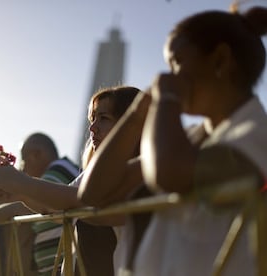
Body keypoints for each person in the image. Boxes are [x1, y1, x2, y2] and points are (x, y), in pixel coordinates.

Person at [81, 5, 267, 276]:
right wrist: (134, 117)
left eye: (176, 62)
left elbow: (169, 174)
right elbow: (93, 194)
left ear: (220, 60)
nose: (167, 75)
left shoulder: (256, 135)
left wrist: (167, 100)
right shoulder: (194, 137)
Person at [0, 85, 142, 275]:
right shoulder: (92, 174)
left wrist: (22, 182)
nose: (92, 128)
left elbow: (78, 199)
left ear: (129, 125)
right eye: (92, 119)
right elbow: (57, 208)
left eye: (103, 118)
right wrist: (20, 193)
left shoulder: (140, 169)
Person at [0, 132, 80, 276]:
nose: (22, 168)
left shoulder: (58, 170)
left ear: (37, 154)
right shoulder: (61, 172)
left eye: (23, 161)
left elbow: (18, 209)